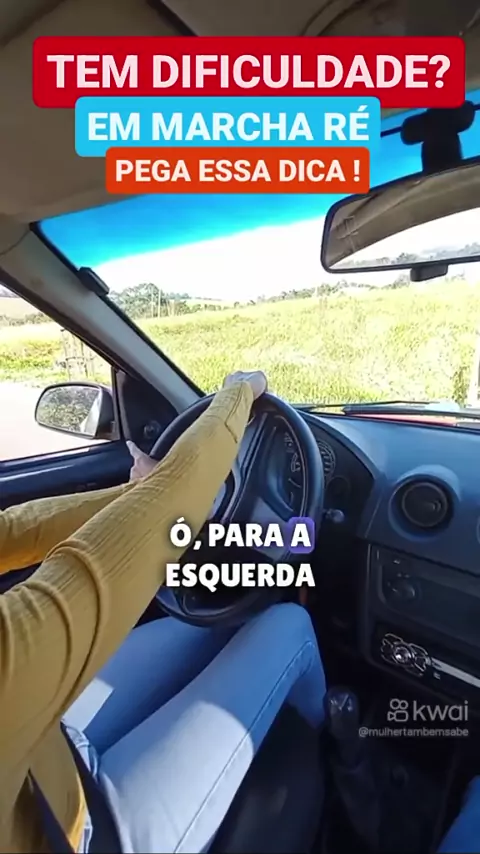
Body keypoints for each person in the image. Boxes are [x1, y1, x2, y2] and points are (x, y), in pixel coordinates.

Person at [0, 370, 327, 854]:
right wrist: (239, 394)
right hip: (85, 836)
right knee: (288, 625)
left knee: (224, 625)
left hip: (40, 757)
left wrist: (145, 495)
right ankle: (337, 764)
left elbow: (13, 530)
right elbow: (107, 560)